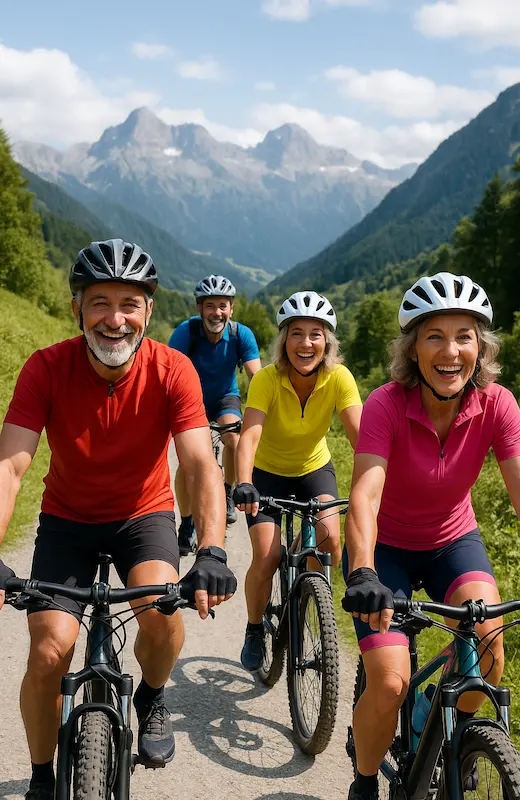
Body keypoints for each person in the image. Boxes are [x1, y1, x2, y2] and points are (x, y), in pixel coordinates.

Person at [0, 239, 237, 800]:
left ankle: (153, 696)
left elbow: (201, 464)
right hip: (67, 521)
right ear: (76, 308)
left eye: (129, 303)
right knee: (48, 651)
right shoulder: (46, 368)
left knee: (159, 612)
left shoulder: (172, 369)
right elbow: (10, 466)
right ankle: (40, 775)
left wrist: (211, 550)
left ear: (147, 312)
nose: (115, 318)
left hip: (143, 515)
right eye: (99, 301)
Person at [342, 272, 520, 800]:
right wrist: (361, 570)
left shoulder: (497, 404)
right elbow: (365, 494)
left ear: (481, 347)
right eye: (434, 336)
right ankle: (363, 780)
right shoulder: (385, 404)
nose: (450, 351)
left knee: (490, 653)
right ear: (413, 349)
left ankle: (435, 722)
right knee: (387, 681)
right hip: (385, 551)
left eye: (464, 336)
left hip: (453, 541)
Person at [234, 290, 362, 671]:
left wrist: (380, 486)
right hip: (266, 473)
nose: (306, 343)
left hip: (313, 469)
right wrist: (243, 481)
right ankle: (255, 628)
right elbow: (250, 436)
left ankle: (308, 597)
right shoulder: (268, 380)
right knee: (268, 554)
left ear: (327, 341)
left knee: (330, 541)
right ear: (283, 340)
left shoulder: (339, 378)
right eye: (297, 333)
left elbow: (362, 438)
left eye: (315, 334)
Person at [168, 274, 261, 554]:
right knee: (187, 464)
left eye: (223, 305)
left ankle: (229, 492)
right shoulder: (186, 333)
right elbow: (168, 373)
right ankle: (186, 522)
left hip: (224, 398)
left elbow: (257, 377)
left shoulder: (240, 334)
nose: (216, 312)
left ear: (231, 308)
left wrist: (265, 410)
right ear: (199, 308)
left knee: (234, 439)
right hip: (190, 400)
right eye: (210, 306)